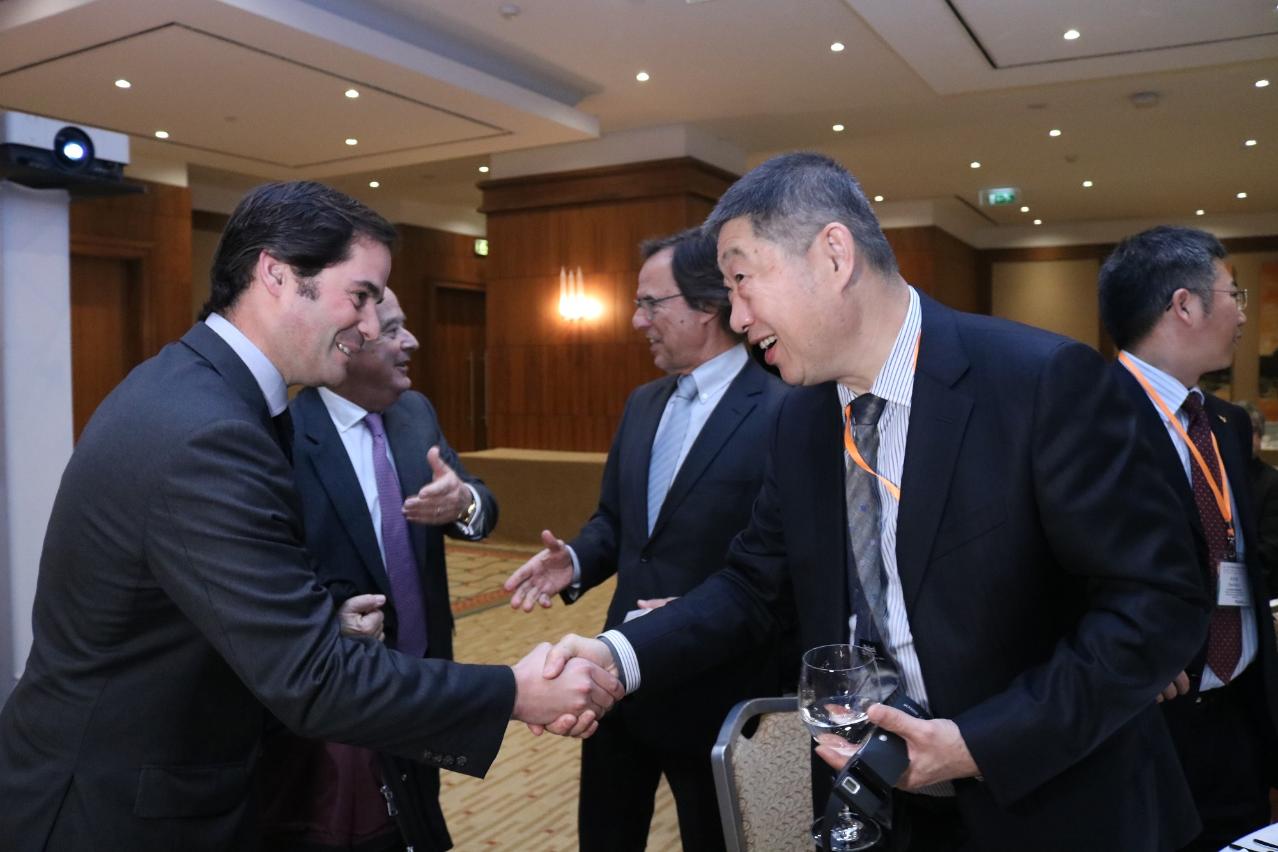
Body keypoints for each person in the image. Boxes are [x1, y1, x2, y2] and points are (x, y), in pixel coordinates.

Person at [542, 153, 1210, 851]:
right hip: (877, 802)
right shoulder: (800, 419)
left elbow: (1156, 604)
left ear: (834, 255)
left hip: (1050, 807)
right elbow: (752, 587)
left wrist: (978, 743)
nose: (736, 317)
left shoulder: (1039, 381)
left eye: (741, 281)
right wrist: (618, 655)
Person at [0, 181, 621, 851]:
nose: (370, 327)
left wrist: (320, 618)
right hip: (113, 809)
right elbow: (311, 678)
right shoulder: (210, 430)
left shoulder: (202, 390)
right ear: (276, 274)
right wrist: (514, 691)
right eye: (360, 296)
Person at [503, 228, 791, 852]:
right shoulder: (643, 403)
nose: (637, 321)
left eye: (651, 303)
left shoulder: (782, 407)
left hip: (718, 686)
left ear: (708, 305)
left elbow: (789, 561)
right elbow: (617, 521)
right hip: (616, 683)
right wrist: (576, 559)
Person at [258, 287, 497, 852]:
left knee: (420, 817)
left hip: (425, 678)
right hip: (347, 697)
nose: (411, 341)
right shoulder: (284, 436)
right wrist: (331, 618)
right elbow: (271, 572)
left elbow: (481, 506)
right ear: (347, 343)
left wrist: (462, 502)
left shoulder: (415, 414)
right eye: (392, 331)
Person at [1099, 226, 1278, 852]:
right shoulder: (1090, 413)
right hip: (1145, 719)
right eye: (1234, 294)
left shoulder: (1222, 421)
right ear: (1184, 305)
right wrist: (1124, 651)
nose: (1242, 313)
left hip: (1240, 710)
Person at [1238, 400, 1278, 592]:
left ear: (1260, 437)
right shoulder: (1213, 476)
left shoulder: (1272, 482)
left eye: (1252, 430)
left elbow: (1271, 548)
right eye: (1239, 430)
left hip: (1258, 587)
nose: (1244, 437)